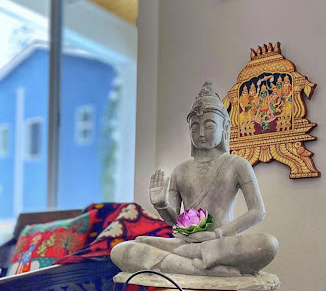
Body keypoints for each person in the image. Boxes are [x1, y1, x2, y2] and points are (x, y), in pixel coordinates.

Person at [111, 82, 278, 277]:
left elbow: (258, 211)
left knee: (267, 244)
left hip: (220, 243)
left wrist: (216, 234)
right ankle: (198, 267)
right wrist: (161, 205)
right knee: (122, 250)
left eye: (209, 126)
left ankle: (188, 260)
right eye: (195, 127)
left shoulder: (237, 164)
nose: (201, 133)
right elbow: (175, 221)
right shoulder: (181, 170)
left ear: (224, 127)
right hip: (185, 243)